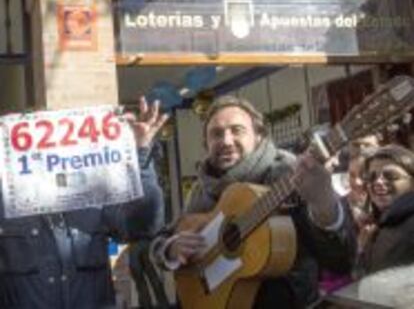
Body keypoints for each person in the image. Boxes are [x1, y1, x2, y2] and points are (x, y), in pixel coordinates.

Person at [151, 95, 355, 308]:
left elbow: (342, 260)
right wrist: (170, 249)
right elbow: (162, 240)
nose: (226, 141)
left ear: (259, 136)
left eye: (237, 130)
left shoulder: (290, 174)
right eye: (216, 134)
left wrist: (324, 204)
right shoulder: (201, 189)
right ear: (206, 144)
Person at [0, 98, 168, 309]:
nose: (45, 156)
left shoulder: (94, 196)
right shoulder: (4, 204)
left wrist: (140, 153)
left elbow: (143, 226)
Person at [358, 144, 414, 275]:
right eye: (371, 177)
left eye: (391, 176)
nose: (378, 182)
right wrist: (362, 249)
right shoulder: (377, 226)